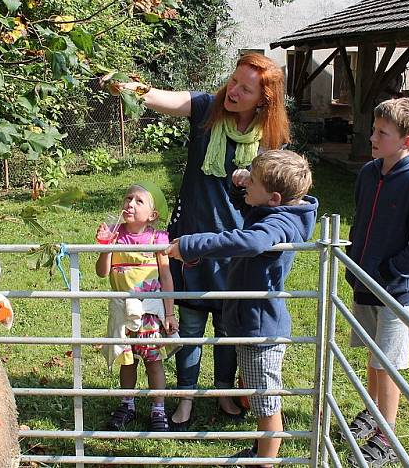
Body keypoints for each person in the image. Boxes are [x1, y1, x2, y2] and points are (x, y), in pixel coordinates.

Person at [104, 53, 291, 430]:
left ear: (264, 99)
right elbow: (160, 97)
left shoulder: (273, 140)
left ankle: (223, 394)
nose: (234, 90)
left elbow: (279, 195)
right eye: (234, 80)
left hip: (233, 246)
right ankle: (185, 398)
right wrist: (129, 87)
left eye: (246, 88)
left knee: (226, 330)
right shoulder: (207, 109)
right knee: (188, 327)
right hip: (188, 245)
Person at [165, 149, 318, 467]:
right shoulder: (277, 212)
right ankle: (261, 451)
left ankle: (264, 462)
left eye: (254, 180)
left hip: (259, 330)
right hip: (250, 322)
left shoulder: (277, 224)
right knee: (259, 395)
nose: (248, 180)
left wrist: (193, 244)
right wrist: (242, 186)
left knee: (266, 403)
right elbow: (251, 208)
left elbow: (251, 241)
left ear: (274, 198)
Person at [344, 98, 409, 467]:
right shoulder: (369, 173)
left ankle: (386, 434)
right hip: (364, 281)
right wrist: (356, 263)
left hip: (393, 290)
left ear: (407, 142)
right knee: (374, 354)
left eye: (381, 133)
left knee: (388, 362)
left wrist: (389, 271)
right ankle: (373, 412)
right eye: (374, 129)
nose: (372, 136)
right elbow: (360, 218)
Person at [96, 182, 178, 432]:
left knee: (154, 362)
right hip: (122, 312)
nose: (130, 204)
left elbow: (166, 278)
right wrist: (105, 247)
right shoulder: (114, 234)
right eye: (128, 198)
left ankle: (158, 408)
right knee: (127, 361)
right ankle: (127, 404)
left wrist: (170, 313)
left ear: (152, 215)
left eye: (138, 201)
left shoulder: (158, 239)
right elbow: (102, 273)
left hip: (150, 314)